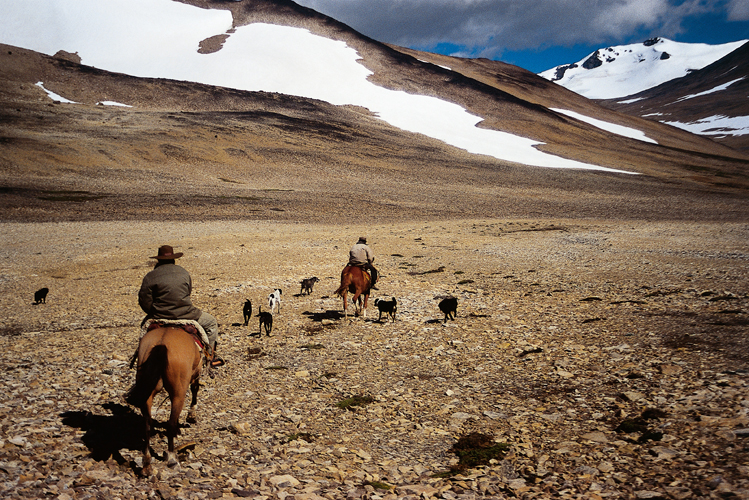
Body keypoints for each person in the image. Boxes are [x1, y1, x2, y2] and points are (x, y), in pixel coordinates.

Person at [138, 245, 222, 366]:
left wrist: (154, 311)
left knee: (144, 330)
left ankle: (140, 363)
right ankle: (210, 357)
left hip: (159, 314)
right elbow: (188, 292)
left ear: (159, 260)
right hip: (186, 314)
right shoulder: (183, 273)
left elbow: (144, 301)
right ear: (173, 259)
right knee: (211, 323)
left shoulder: (150, 276)